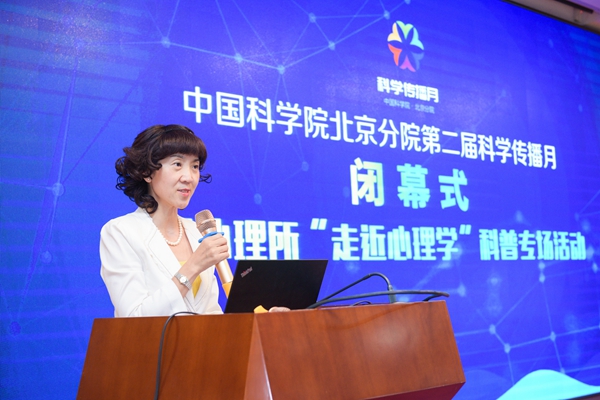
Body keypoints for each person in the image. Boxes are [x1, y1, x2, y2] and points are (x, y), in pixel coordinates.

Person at [100, 124, 229, 317]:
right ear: (147, 172)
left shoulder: (196, 232)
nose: (189, 177)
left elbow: (211, 313)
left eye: (194, 166)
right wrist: (193, 266)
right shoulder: (121, 232)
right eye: (177, 164)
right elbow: (133, 317)